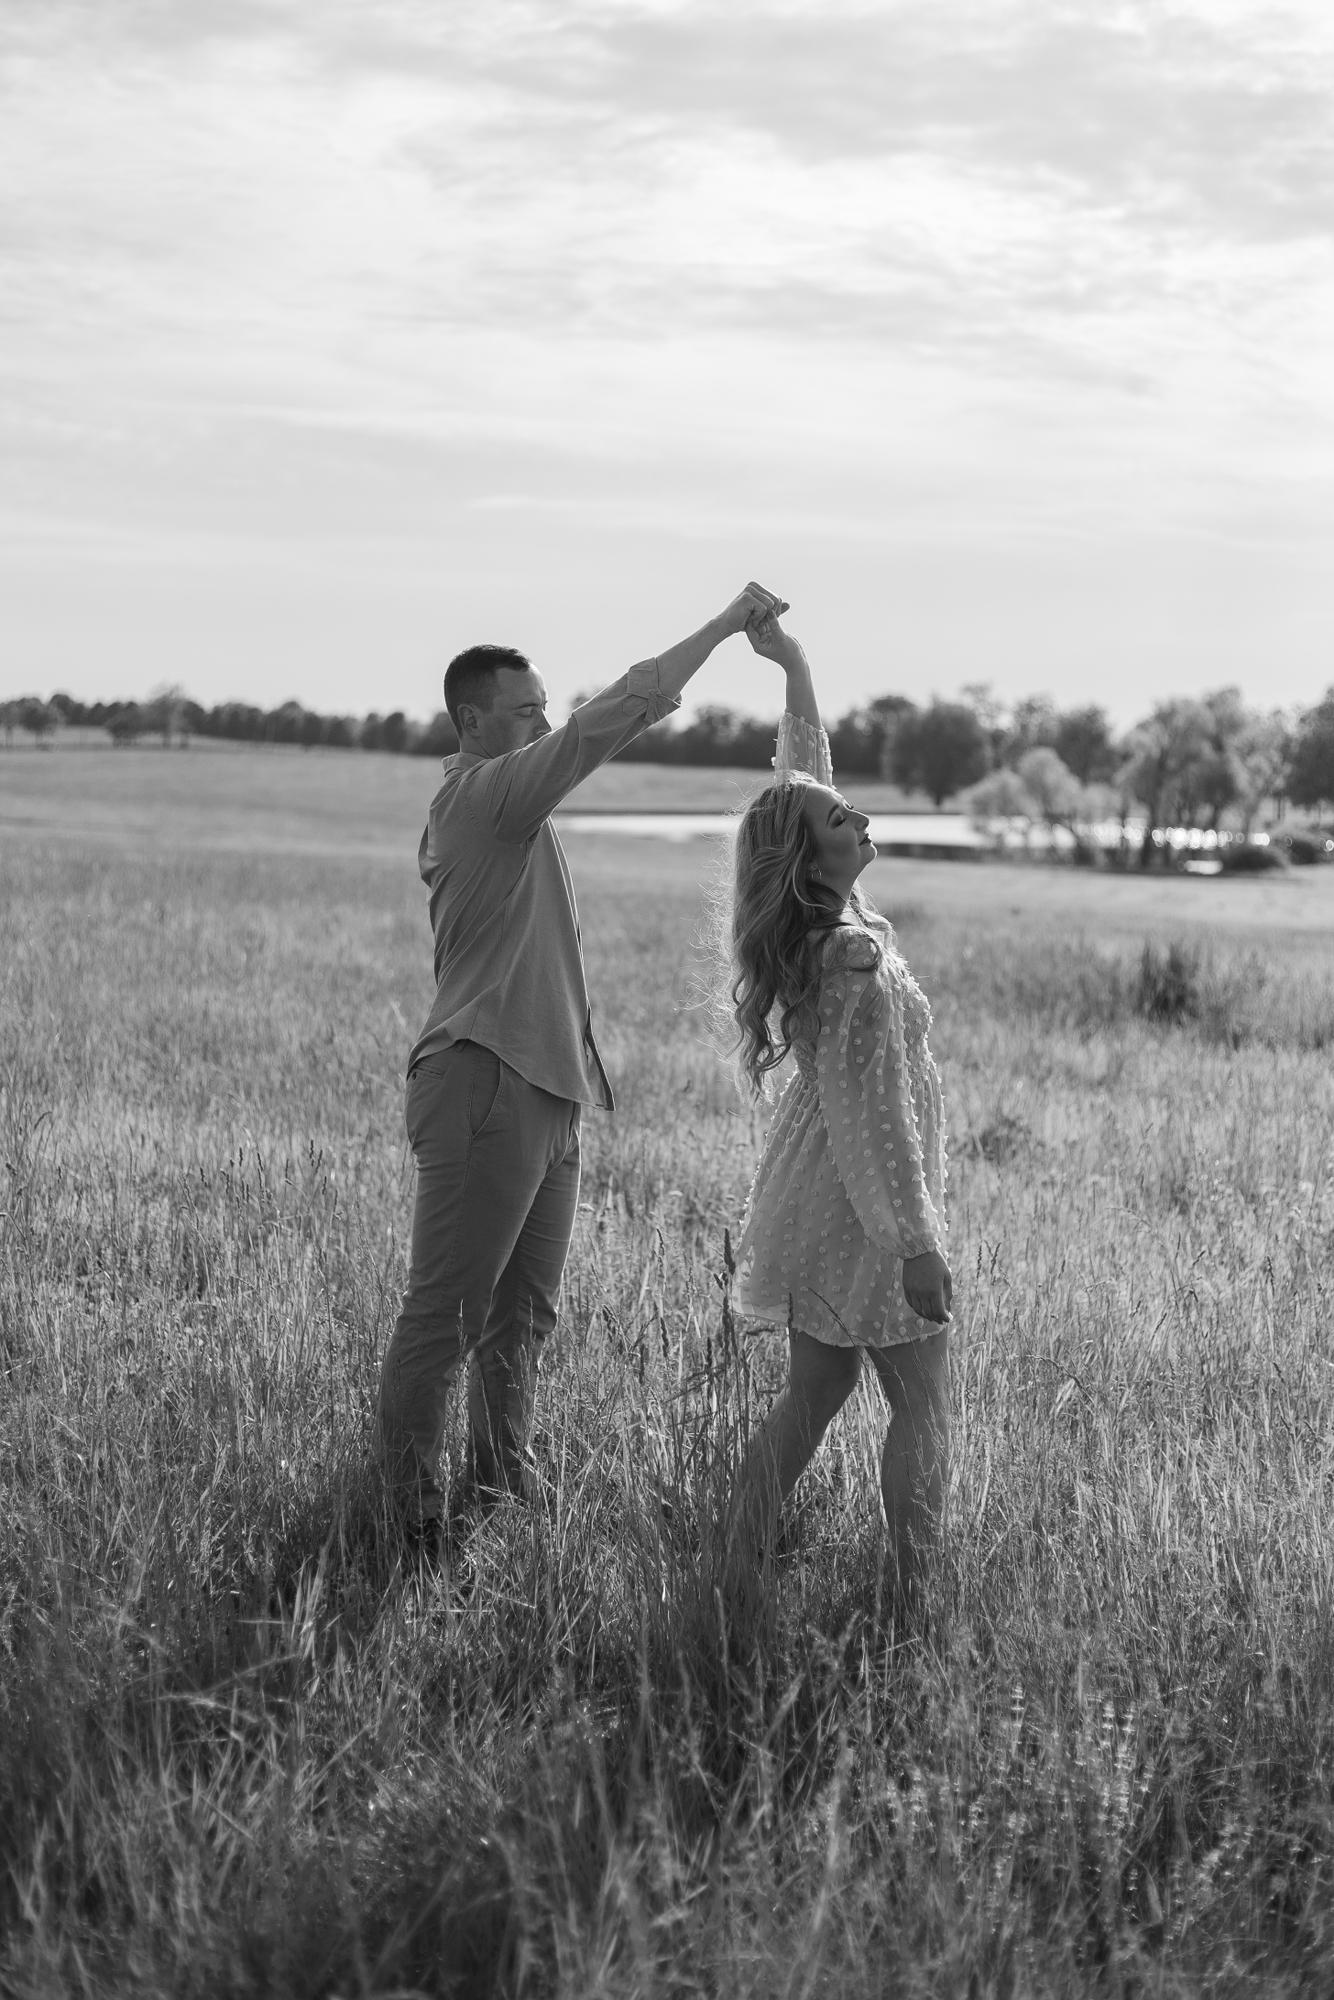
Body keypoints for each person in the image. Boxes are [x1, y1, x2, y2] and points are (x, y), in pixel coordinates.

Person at [375, 582, 787, 1560]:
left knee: (522, 1317)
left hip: (549, 1090)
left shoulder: (510, 810)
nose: (543, 725)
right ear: (471, 723)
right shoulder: (484, 797)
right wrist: (721, 625)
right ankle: (405, 1514)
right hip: (485, 1078)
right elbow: (609, 720)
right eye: (524, 712)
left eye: (543, 708)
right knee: (445, 1314)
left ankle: (498, 1484)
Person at [723, 608, 953, 1623]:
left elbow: (800, 782)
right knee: (925, 1402)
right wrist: (914, 1242)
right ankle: (911, 1592)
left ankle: (731, 1554)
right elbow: (876, 1118)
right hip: (867, 1208)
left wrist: (795, 667)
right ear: (812, 862)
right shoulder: (851, 958)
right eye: (841, 822)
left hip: (819, 1199)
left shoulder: (828, 928)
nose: (859, 820)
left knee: (814, 1396)